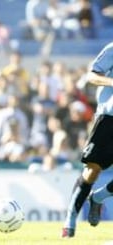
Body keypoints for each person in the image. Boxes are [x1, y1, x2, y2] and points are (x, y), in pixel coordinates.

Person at [62, 41, 113, 238]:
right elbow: (92, 75)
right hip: (109, 117)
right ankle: (70, 220)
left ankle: (98, 197)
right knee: (92, 170)